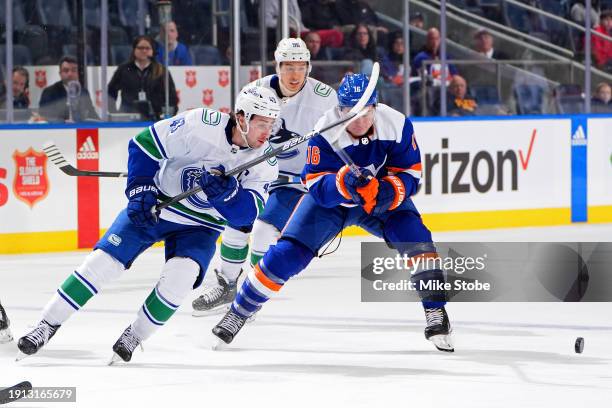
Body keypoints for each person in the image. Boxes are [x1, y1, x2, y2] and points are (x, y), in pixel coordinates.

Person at [16, 85, 281, 363]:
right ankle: (46, 324)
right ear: (241, 117)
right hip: (159, 205)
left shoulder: (265, 161)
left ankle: (135, 335)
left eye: (271, 124)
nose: (267, 132)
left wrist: (227, 195)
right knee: (101, 263)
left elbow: (246, 216)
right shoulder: (201, 124)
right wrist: (141, 189)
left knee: (181, 279)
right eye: (262, 123)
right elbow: (145, 144)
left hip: (201, 226)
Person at [211, 73, 454, 353]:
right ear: (341, 109)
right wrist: (343, 184)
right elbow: (315, 184)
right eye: (350, 112)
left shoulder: (396, 124)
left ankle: (436, 311)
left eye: (365, 112)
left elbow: (411, 174)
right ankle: (238, 312)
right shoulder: (325, 129)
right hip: (333, 206)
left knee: (416, 239)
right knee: (287, 254)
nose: (358, 120)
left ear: (375, 107)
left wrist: (387, 191)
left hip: (379, 202)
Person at [192, 38, 337, 316]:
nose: (295, 74)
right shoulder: (254, 92)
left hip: (297, 181)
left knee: (263, 231)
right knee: (237, 221)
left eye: (301, 66)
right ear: (277, 65)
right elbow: (240, 134)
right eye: (288, 66)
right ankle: (226, 285)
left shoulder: (324, 97)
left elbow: (337, 140)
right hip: (259, 172)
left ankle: (251, 293)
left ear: (308, 66)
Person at [107, 35, 178, 121]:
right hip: (128, 118)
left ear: (153, 50)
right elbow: (110, 92)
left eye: (147, 48)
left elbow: (172, 97)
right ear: (134, 50)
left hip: (155, 119)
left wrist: (166, 116)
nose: (144, 51)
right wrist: (115, 114)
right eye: (140, 48)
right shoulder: (124, 69)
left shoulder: (161, 71)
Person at [38, 56, 99, 123]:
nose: (70, 74)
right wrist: (63, 122)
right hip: (57, 131)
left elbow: (93, 116)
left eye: (73, 70)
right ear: (60, 74)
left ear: (78, 73)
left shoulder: (84, 92)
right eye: (66, 70)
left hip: (79, 131)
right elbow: (44, 117)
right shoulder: (49, 92)